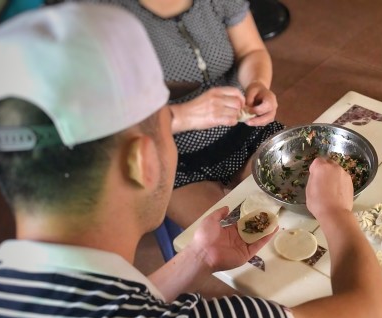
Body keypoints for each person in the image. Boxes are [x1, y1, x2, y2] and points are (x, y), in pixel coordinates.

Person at [0, 3, 382, 318]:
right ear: (141, 161)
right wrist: (335, 212)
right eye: (167, 123)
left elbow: (105, 309)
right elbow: (371, 317)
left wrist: (197, 258)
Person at [70, 0, 284, 229]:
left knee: (296, 200)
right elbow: (98, 121)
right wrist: (182, 115)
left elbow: (250, 50)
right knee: (236, 236)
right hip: (172, 157)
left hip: (246, 130)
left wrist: (258, 84)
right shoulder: (100, 13)